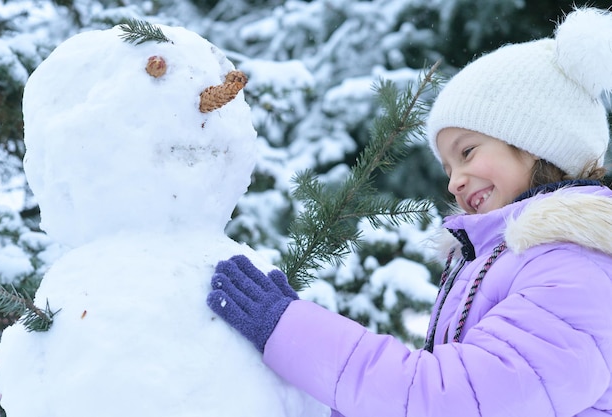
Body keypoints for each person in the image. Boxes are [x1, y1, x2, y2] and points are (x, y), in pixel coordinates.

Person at [207, 7, 612, 417]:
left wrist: (289, 330)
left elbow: (445, 398)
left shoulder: (576, 271)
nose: (454, 182)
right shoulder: (509, 261)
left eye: (467, 152)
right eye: (448, 168)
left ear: (539, 141)